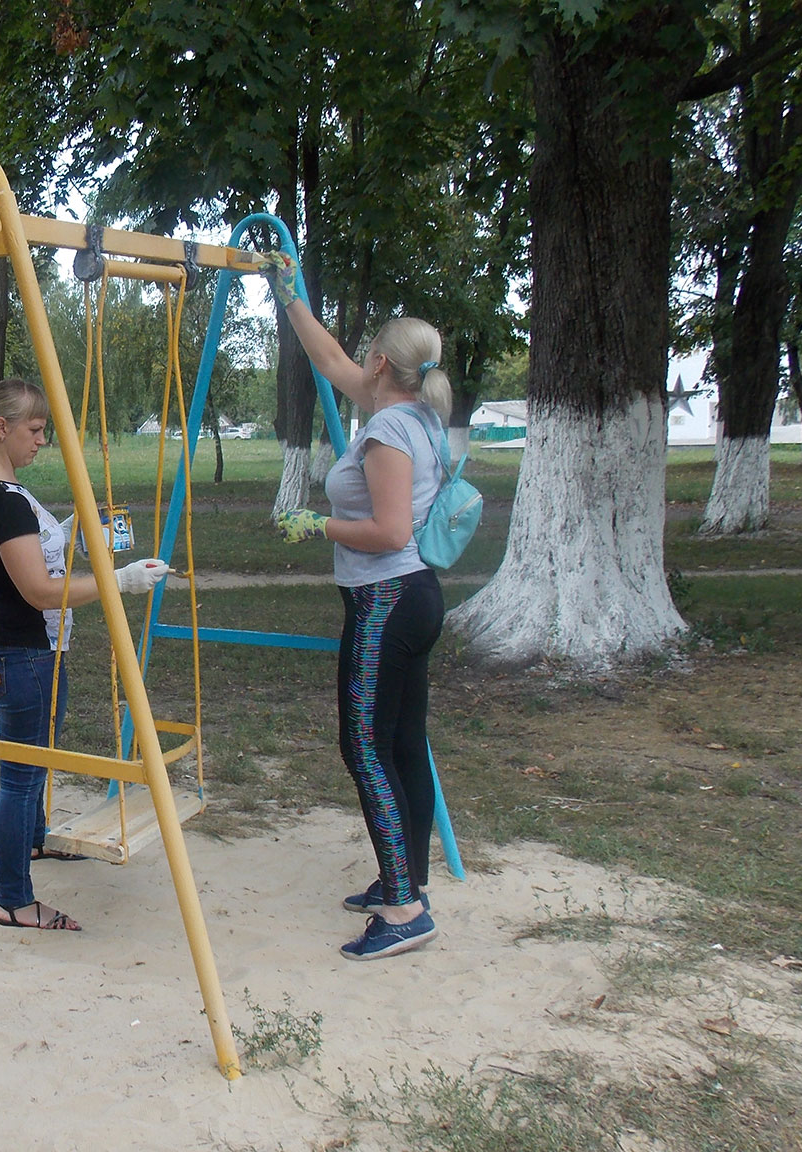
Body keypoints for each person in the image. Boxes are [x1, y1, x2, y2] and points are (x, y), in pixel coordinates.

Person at [263, 251, 447, 961]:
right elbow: (330, 360)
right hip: (410, 596)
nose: (355, 363)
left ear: (381, 363)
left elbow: (390, 532)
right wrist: (291, 297)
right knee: (401, 745)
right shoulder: (415, 415)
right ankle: (408, 882)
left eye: (364, 356)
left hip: (387, 599)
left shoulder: (388, 431)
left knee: (364, 746)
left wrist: (318, 525)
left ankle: (404, 909)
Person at [0, 377, 170, 932]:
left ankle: (34, 838)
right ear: (2, 428)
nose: (42, 439)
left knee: (33, 759)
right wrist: (119, 581)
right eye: (35, 429)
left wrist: (70, 533)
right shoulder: (2, 500)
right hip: (21, 652)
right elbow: (40, 591)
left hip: (19, 647)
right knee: (22, 775)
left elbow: (28, 557)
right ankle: (14, 900)